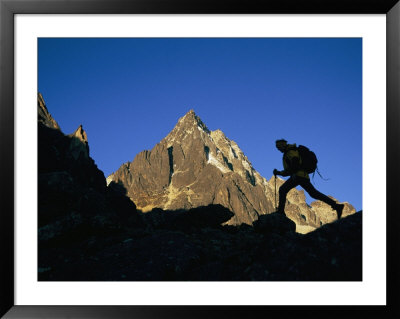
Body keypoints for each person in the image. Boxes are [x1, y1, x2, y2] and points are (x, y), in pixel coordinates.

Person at [273, 139, 344, 219]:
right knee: (314, 193)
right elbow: (289, 170)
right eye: (277, 147)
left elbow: (295, 163)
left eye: (278, 147)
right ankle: (336, 206)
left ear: (282, 145)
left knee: (283, 189)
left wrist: (292, 173)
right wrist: (279, 173)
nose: (278, 149)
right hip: (303, 176)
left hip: (298, 176)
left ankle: (281, 211)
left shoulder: (290, 152)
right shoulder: (290, 151)